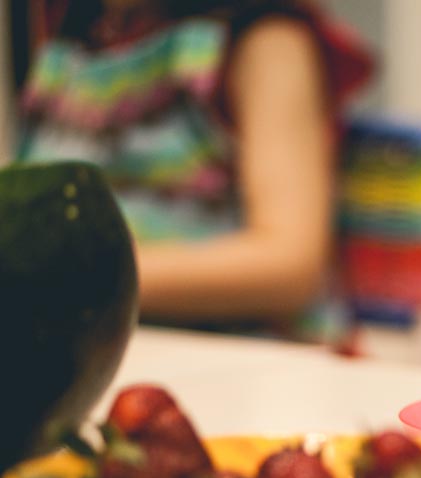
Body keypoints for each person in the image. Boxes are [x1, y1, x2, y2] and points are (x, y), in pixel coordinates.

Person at [17, 0, 372, 335]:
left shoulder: (266, 38)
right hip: (104, 344)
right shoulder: (69, 45)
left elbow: (291, 264)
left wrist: (68, 280)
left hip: (250, 361)